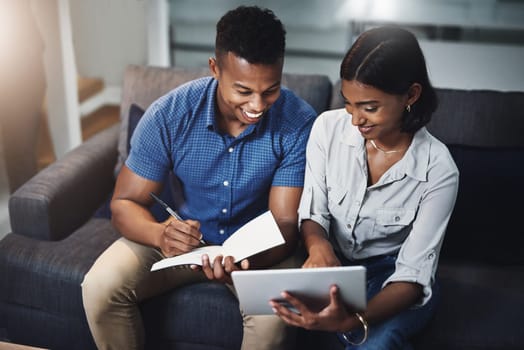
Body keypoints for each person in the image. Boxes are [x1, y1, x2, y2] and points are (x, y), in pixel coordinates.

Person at [81, 5, 317, 350]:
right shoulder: (169, 115)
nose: (257, 105)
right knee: (100, 287)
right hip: (182, 245)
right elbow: (124, 203)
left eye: (270, 90)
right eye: (243, 91)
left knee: (272, 322)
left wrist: (242, 261)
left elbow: (284, 223)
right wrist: (161, 234)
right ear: (214, 69)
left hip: (260, 253)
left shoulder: (297, 122)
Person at [270, 26, 459, 349]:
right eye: (349, 103)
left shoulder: (439, 169)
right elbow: (313, 211)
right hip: (335, 264)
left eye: (369, 107)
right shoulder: (327, 129)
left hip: (393, 277)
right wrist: (319, 248)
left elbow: (413, 276)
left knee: (375, 342)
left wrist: (354, 319)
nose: (356, 120)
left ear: (411, 96)